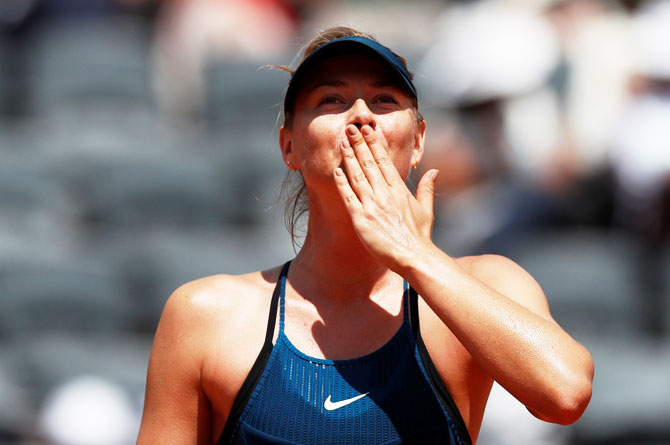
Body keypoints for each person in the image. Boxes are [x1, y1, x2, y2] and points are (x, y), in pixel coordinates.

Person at [137, 26, 594, 444]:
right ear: (289, 146)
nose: (360, 116)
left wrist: (416, 256)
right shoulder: (206, 317)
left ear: (417, 142)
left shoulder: (488, 284)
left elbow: (565, 393)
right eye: (331, 100)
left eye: (384, 101)